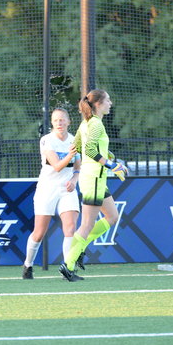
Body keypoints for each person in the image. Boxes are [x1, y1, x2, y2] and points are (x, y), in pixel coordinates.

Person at [59, 89, 128, 282]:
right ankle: (68, 265)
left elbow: (77, 147)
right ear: (98, 104)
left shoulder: (86, 123)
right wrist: (111, 165)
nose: (110, 103)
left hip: (94, 177)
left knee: (112, 217)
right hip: (94, 178)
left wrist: (109, 157)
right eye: (108, 100)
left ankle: (78, 250)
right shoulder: (95, 123)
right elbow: (89, 150)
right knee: (87, 225)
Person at [22, 108, 81, 279]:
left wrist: (74, 180)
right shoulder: (47, 140)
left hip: (66, 189)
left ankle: (68, 269)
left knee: (70, 228)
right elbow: (57, 166)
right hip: (47, 188)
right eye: (55, 120)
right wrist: (70, 154)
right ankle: (28, 265)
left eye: (62, 120)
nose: (59, 123)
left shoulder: (74, 140)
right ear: (52, 123)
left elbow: (78, 166)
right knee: (39, 232)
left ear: (69, 122)